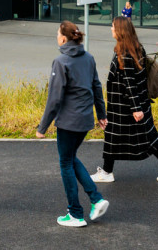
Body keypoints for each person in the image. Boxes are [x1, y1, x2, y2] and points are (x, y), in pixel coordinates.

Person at [36, 21, 109, 228]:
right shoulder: (88, 58)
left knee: (65, 163)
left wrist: (42, 127)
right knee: (70, 158)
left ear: (63, 38)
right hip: (85, 120)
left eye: (57, 33)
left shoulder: (61, 61)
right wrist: (101, 114)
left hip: (68, 122)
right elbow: (96, 86)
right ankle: (96, 199)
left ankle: (76, 213)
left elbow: (54, 98)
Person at [91, 18, 158, 184]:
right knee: (144, 136)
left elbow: (129, 82)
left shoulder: (125, 53)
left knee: (119, 136)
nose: (111, 29)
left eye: (113, 27)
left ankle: (108, 172)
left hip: (124, 106)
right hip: (132, 104)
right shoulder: (136, 48)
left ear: (120, 31)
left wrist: (136, 108)